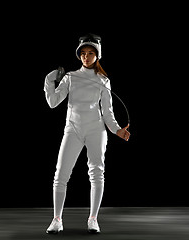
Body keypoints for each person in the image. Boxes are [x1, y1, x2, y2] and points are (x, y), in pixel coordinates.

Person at [43, 33, 130, 234]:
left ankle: (93, 219)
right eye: (83, 53)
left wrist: (117, 130)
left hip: (96, 129)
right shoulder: (70, 77)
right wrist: (49, 80)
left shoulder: (103, 81)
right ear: (79, 55)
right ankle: (57, 219)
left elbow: (108, 113)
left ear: (97, 55)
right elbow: (53, 102)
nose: (86, 56)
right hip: (72, 128)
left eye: (91, 53)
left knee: (97, 173)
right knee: (60, 174)